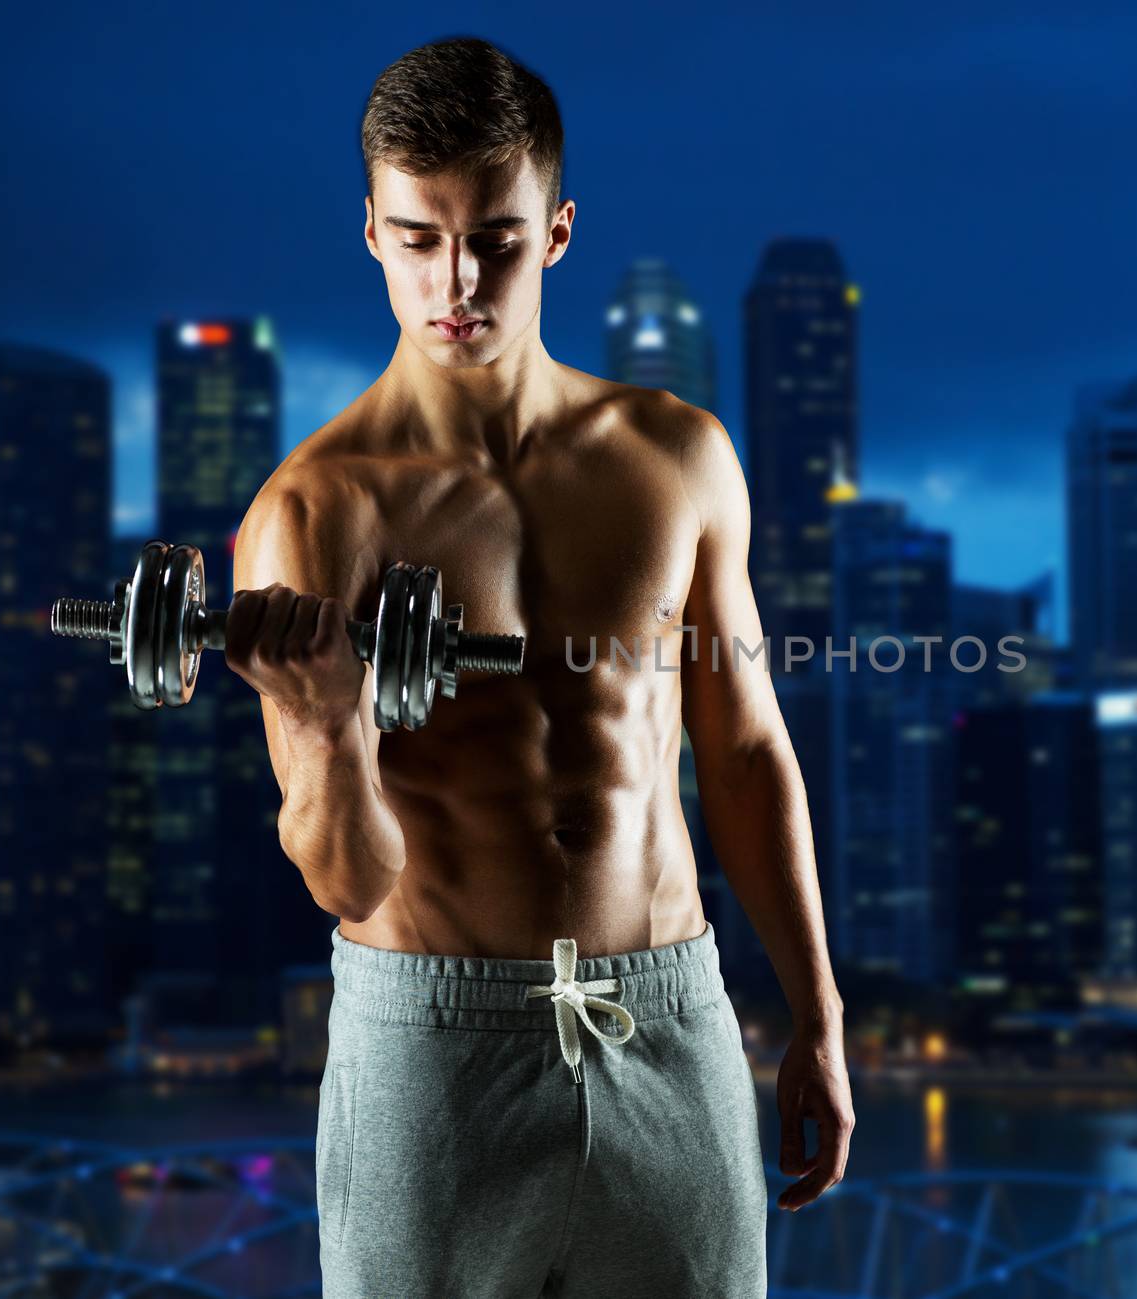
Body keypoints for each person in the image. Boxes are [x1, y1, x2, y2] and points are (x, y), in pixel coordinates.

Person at [223, 35, 853, 1299]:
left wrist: (818, 1018)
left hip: (669, 1019)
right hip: (435, 1045)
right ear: (371, 235)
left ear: (555, 232)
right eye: (418, 238)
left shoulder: (675, 458)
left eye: (495, 240)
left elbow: (740, 750)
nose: (457, 278)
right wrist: (333, 721)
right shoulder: (315, 514)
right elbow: (348, 879)